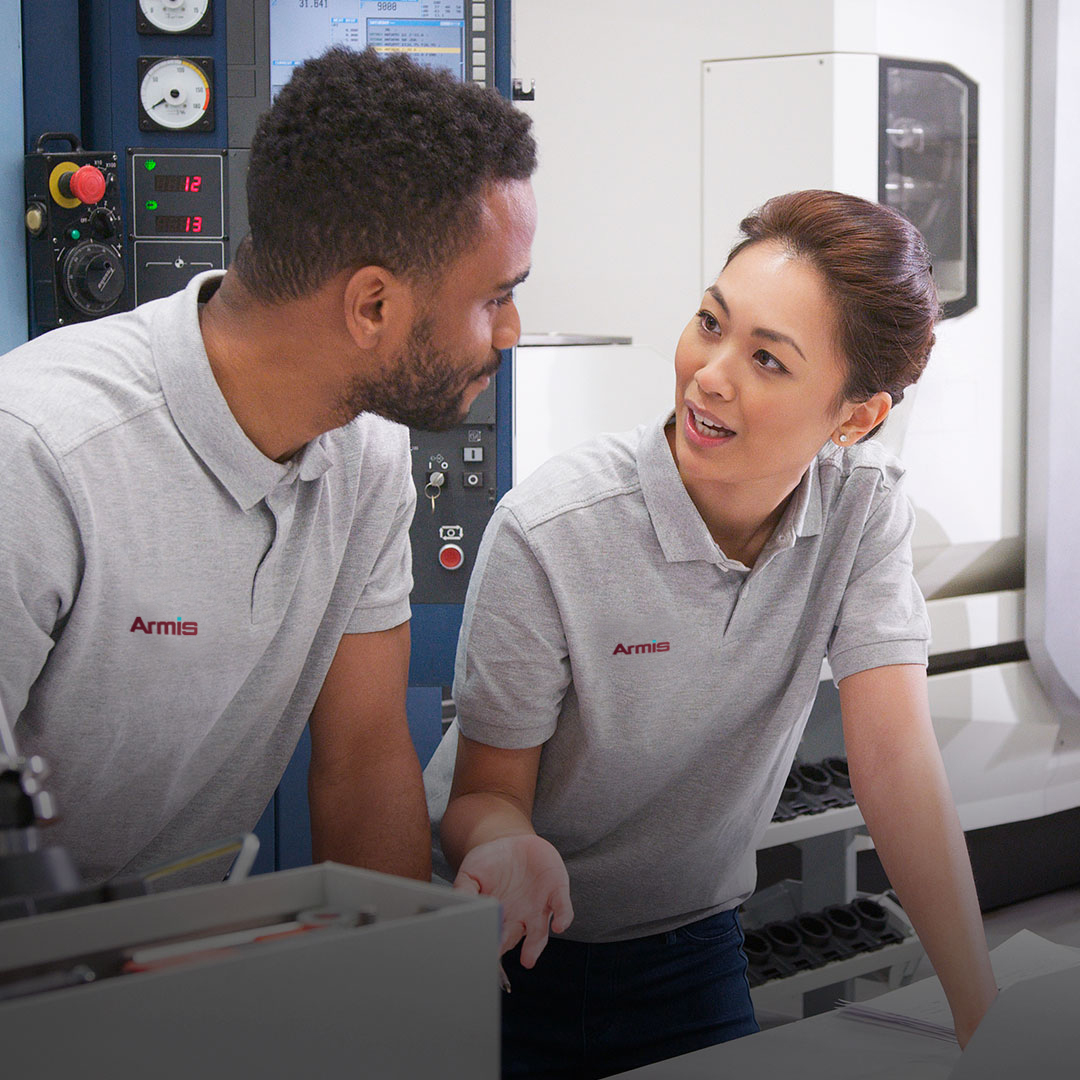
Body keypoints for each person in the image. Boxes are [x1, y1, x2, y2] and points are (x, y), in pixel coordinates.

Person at [424, 190, 997, 1078]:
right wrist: (507, 848)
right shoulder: (554, 528)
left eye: (768, 360)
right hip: (495, 950)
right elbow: (481, 796)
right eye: (710, 323)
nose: (709, 373)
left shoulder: (863, 511)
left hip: (687, 947)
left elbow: (896, 766)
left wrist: (982, 1010)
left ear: (855, 417)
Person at [0, 47, 536, 888]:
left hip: (181, 949)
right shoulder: (35, 455)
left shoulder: (368, 450)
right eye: (495, 299)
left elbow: (363, 760)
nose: (510, 334)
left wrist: (401, 983)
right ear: (372, 306)